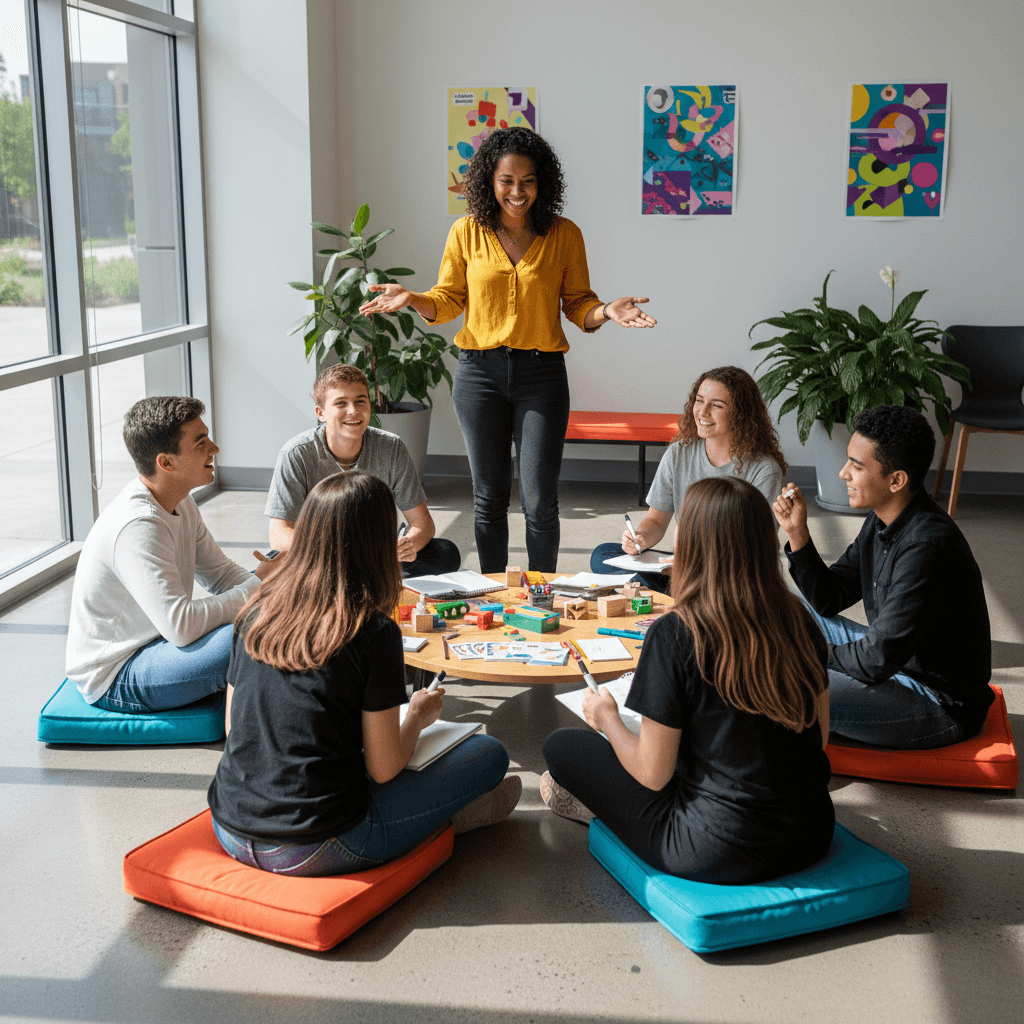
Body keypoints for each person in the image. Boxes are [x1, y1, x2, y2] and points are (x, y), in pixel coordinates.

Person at [358, 127, 656, 573]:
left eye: (528, 180)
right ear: (489, 181)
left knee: (539, 498)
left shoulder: (564, 234)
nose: (518, 191)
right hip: (480, 374)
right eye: (507, 181)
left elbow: (578, 304)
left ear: (543, 182)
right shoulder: (466, 232)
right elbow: (448, 300)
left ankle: (542, 596)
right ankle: (494, 592)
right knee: (489, 497)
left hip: (542, 376)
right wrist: (413, 298)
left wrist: (607, 310)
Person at [208, 472, 521, 876]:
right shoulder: (373, 631)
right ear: (379, 544)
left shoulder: (256, 610)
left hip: (229, 826)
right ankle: (444, 822)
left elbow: (235, 730)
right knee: (489, 755)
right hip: (318, 845)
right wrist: (418, 719)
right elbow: (384, 768)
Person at [542, 477, 834, 885]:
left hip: (713, 850)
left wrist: (606, 718)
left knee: (562, 747)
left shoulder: (677, 632)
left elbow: (652, 774)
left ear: (693, 545)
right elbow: (819, 740)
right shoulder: (800, 619)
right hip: (812, 834)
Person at [773, 405, 993, 749]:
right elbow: (828, 599)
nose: (844, 473)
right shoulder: (882, 519)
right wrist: (798, 534)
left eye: (856, 466)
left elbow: (875, 660)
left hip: (937, 702)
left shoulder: (927, 547)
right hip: (897, 664)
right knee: (787, 608)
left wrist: (804, 651)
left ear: (896, 480)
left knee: (783, 681)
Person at [66, 397, 273, 712]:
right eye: (201, 443)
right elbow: (181, 626)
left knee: (271, 574)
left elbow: (220, 574)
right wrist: (259, 589)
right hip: (120, 673)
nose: (214, 449)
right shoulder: (137, 525)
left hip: (159, 641)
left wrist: (266, 586)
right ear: (166, 463)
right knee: (252, 632)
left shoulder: (180, 500)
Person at [591, 366, 787, 594]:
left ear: (740, 413)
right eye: (699, 401)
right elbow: (656, 520)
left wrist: (694, 563)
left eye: (716, 405)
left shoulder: (764, 469)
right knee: (603, 555)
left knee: (728, 585)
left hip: (729, 574)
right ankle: (682, 595)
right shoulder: (678, 453)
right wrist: (640, 538)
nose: (702, 412)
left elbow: (754, 547)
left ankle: (676, 594)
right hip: (683, 566)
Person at [265, 363, 460, 578]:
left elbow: (423, 523)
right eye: (341, 403)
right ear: (321, 413)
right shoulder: (296, 453)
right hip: (323, 557)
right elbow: (279, 535)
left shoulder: (391, 447)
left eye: (360, 401)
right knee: (265, 572)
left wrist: (409, 544)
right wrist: (337, 551)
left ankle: (357, 583)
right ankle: (373, 583)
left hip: (376, 555)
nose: (353, 411)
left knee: (445, 553)